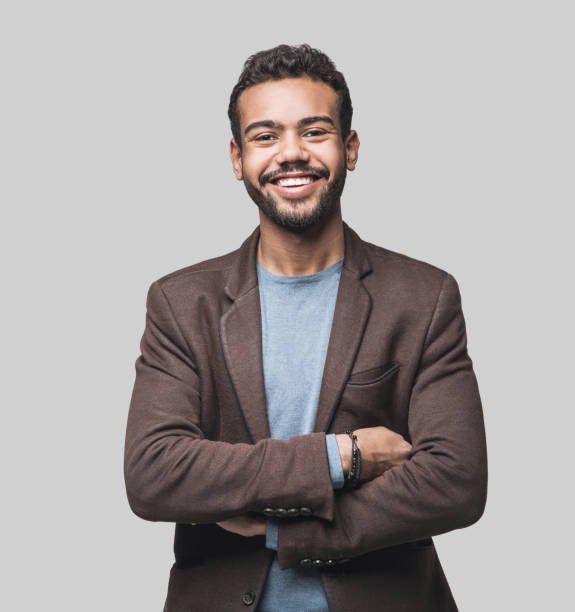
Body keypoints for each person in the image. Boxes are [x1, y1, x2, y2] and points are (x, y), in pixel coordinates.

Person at [124, 43, 487, 612]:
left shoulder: (424, 296)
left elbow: (456, 480)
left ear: (350, 147)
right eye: (265, 136)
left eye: (314, 132)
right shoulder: (179, 303)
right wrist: (342, 458)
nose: (291, 153)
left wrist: (281, 533)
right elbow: (154, 473)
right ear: (237, 157)